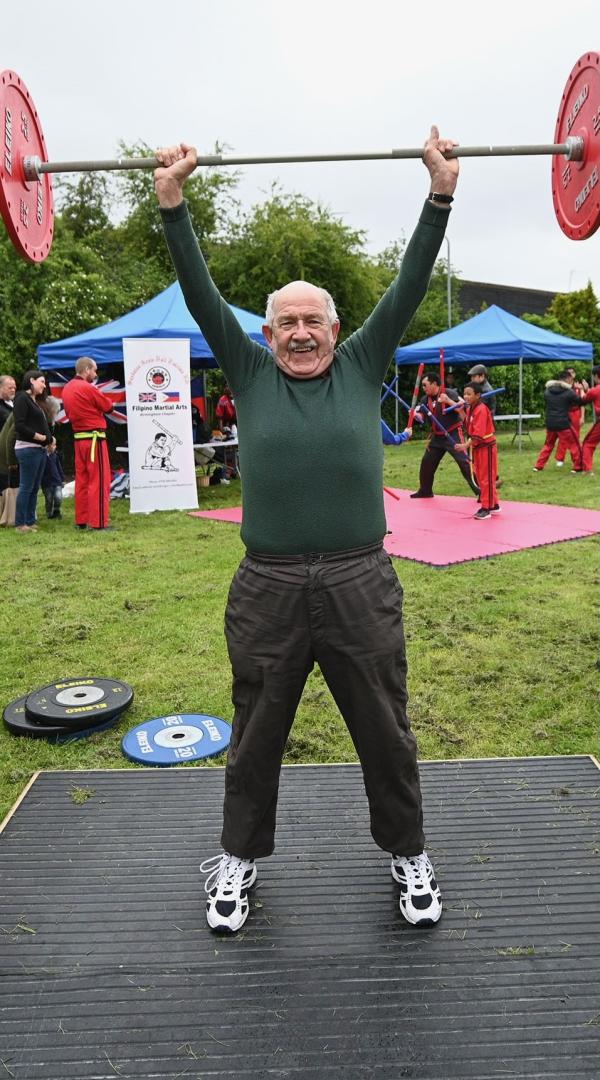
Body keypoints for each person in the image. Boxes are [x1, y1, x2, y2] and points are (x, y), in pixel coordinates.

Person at [154, 126, 458, 934]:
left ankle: (408, 852)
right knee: (255, 733)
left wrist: (439, 195)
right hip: (269, 586)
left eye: (311, 320)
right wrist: (174, 207)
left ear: (334, 327)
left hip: (362, 579)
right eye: (284, 321)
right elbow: (198, 291)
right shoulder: (248, 370)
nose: (298, 332)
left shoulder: (365, 362)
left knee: (385, 731)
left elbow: (411, 278)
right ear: (265, 334)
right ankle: (240, 860)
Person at [62, 356, 115, 530]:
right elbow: (108, 407)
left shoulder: (67, 388)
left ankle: (82, 520)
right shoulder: (87, 388)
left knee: (82, 480)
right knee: (99, 480)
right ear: (86, 370)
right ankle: (99, 522)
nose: (95, 373)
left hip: (79, 440)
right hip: (94, 440)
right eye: (94, 370)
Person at [410, 373, 479, 499]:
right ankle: (425, 491)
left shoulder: (449, 393)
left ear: (434, 384)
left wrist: (447, 400)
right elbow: (421, 417)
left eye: (425, 385)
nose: (423, 388)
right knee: (427, 462)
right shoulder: (425, 399)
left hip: (452, 434)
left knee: (464, 462)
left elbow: (462, 408)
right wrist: (415, 415)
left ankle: (481, 491)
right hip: (437, 436)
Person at [13, 370, 55, 533]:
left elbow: (44, 425)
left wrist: (51, 440)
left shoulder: (35, 401)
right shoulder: (22, 397)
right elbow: (20, 426)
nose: (44, 386)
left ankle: (30, 520)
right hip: (27, 448)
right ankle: (20, 523)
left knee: (34, 487)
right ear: (32, 380)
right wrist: (42, 438)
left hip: (39, 449)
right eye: (42, 382)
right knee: (26, 486)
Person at [454, 382, 499, 519]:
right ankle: (494, 504)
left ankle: (486, 507)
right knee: (480, 476)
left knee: (487, 478)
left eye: (469, 394)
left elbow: (478, 434)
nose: (466, 396)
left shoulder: (481, 409)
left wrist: (464, 446)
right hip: (478, 446)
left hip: (486, 446)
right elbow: (468, 423)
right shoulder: (471, 408)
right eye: (465, 394)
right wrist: (461, 411)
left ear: (477, 395)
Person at [533, 370, 583, 473]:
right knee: (574, 444)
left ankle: (538, 466)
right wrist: (582, 390)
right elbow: (581, 401)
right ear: (569, 379)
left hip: (550, 423)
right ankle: (577, 467)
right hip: (563, 423)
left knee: (548, 445)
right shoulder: (569, 392)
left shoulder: (547, 391)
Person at [555, 367, 587, 468]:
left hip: (576, 413)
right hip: (565, 413)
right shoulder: (562, 388)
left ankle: (576, 459)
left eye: (572, 372)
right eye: (569, 373)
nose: (571, 374)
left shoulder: (578, 387)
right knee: (563, 436)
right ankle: (560, 458)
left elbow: (582, 403)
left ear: (574, 374)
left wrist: (582, 417)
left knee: (576, 437)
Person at [40, 396, 65, 519]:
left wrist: (62, 478)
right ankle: (49, 512)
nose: (56, 415)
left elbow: (59, 467)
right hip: (46, 480)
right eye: (55, 412)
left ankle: (56, 511)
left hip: (56, 480)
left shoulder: (55, 455)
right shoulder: (42, 419)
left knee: (58, 496)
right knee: (49, 497)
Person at [0, 375, 17, 501]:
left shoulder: (15, 404)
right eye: (10, 387)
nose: (13, 390)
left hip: (13, 451)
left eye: (14, 387)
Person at [580, 365, 600, 473]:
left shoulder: (595, 390)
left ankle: (587, 470)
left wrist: (583, 390)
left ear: (596, 376)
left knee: (588, 443)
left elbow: (583, 400)